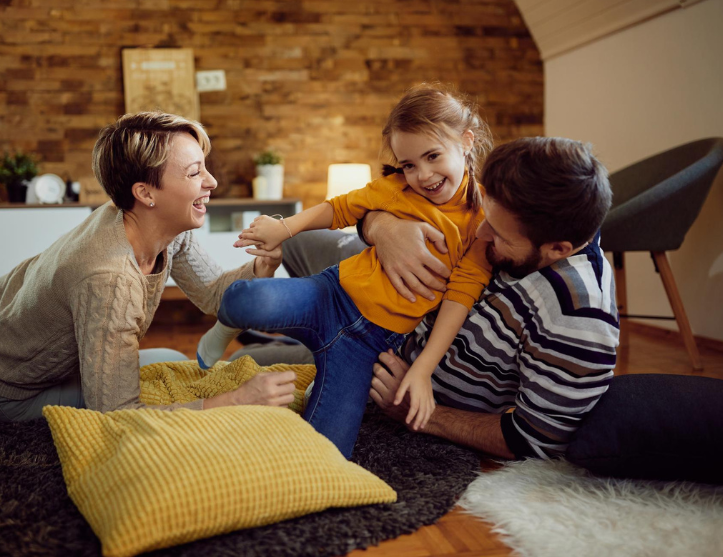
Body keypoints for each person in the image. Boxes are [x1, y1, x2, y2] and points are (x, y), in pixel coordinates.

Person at [232, 136, 620, 460]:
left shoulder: (579, 318)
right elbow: (368, 206)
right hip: (369, 281)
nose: (481, 235)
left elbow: (535, 438)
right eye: (486, 218)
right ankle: (284, 333)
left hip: (381, 344)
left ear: (557, 249)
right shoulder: (533, 203)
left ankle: (282, 341)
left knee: (242, 363)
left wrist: (418, 414)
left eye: (499, 236)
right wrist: (385, 229)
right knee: (299, 247)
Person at [196, 83, 494, 458]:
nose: (423, 174)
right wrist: (282, 227)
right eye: (409, 165)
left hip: (369, 344)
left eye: (433, 156)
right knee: (243, 300)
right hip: (331, 295)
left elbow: (459, 298)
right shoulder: (396, 189)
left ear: (466, 141)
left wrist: (421, 370)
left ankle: (317, 377)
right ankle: (226, 329)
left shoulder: (481, 224)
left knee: (327, 453)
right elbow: (338, 208)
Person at [0, 112, 297, 422]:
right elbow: (117, 412)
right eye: (195, 172)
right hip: (0, 380)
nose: (212, 183)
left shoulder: (154, 224)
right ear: (145, 193)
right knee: (166, 387)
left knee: (171, 361)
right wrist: (238, 400)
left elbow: (212, 294)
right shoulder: (110, 281)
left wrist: (261, 266)